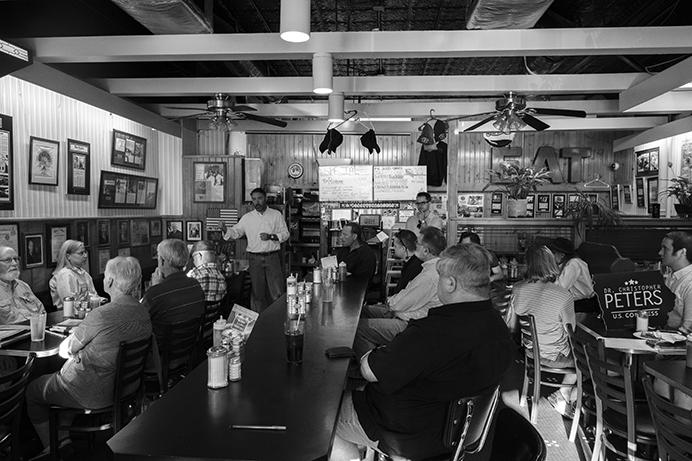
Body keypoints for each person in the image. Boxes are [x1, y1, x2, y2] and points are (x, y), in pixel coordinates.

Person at [330, 243, 513, 461]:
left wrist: (375, 354)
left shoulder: (431, 332)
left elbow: (370, 371)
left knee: (325, 418)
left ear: (450, 283)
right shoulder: (500, 328)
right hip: (460, 435)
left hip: (406, 434)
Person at [26, 256, 152, 458]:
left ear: (109, 282)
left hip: (91, 393)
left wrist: (75, 341)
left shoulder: (101, 315)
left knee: (33, 389)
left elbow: (65, 350)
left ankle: (53, 445)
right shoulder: (142, 310)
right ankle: (64, 438)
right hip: (125, 389)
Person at [353, 227, 446, 358]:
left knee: (358, 329)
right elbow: (406, 295)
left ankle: (373, 370)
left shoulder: (430, 276)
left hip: (412, 326)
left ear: (426, 250)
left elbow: (403, 303)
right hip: (404, 316)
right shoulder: (428, 269)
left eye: (418, 243)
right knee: (361, 313)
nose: (414, 245)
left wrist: (393, 307)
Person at [510, 245, 576, 416]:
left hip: (531, 352)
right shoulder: (563, 295)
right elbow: (571, 332)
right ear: (552, 264)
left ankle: (567, 395)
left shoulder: (517, 289)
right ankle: (563, 395)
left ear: (528, 264)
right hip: (555, 356)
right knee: (589, 361)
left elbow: (513, 325)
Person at [220, 187, 289, 312]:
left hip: (272, 257)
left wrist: (271, 236)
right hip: (254, 259)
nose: (257, 202)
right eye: (254, 199)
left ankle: (279, 322)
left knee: (277, 293)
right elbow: (236, 232)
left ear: (265, 198)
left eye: (260, 198)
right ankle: (259, 324)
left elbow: (285, 234)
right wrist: (226, 230)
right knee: (258, 294)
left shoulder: (276, 215)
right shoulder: (247, 218)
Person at [143, 239, 205, 344]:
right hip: (190, 349)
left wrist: (155, 288)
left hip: (161, 353)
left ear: (162, 261)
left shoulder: (156, 293)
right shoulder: (195, 284)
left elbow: (139, 319)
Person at [548, 237, 597, 313]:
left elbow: (560, 288)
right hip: (577, 302)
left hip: (583, 304)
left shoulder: (573, 264)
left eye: (553, 253)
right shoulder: (566, 264)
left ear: (562, 255)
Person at [0, 245, 45, 324]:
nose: (14, 263)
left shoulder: (22, 285)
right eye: (8, 260)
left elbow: (42, 312)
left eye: (16, 259)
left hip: (35, 330)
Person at [49, 240, 97, 310]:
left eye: (85, 252)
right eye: (81, 253)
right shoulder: (64, 275)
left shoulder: (84, 273)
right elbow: (70, 305)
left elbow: (94, 296)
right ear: (68, 256)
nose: (85, 256)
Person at [659, 231, 692, 332]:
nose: (660, 252)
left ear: (681, 252)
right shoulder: (670, 276)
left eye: (665, 249)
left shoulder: (690, 284)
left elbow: (688, 329)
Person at [389, 229, 422, 296]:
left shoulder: (413, 268)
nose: (393, 249)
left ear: (403, 249)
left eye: (395, 246)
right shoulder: (413, 263)